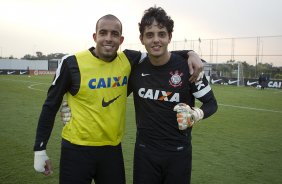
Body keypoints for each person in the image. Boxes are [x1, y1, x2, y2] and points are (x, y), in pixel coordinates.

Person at [33, 13, 203, 184]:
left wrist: (190, 53)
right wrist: (40, 149)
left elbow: (159, 50)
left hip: (112, 151)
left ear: (121, 40)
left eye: (114, 34)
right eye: (103, 33)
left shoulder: (129, 59)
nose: (109, 38)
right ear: (95, 36)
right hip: (76, 150)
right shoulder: (72, 63)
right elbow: (50, 106)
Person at [127, 7, 218, 184]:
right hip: (145, 153)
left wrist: (196, 114)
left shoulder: (188, 67)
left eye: (161, 34)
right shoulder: (135, 67)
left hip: (178, 153)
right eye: (150, 35)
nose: (156, 40)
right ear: (142, 39)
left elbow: (211, 103)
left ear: (169, 37)